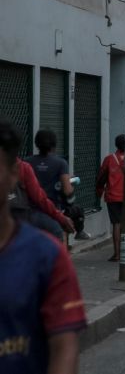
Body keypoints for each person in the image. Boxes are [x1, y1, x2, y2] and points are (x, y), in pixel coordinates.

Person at [0, 119, 87, 374]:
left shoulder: (44, 256)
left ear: (12, 172)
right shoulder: (59, 163)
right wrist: (63, 217)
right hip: (43, 213)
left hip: (30, 220)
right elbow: (48, 197)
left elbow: (64, 346)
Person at [25, 130, 87, 239]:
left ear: (37, 144)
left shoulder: (27, 162)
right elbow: (67, 190)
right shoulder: (60, 163)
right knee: (76, 212)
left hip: (29, 212)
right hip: (52, 211)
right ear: (54, 145)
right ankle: (80, 232)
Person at [96, 134, 125, 261]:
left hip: (112, 196)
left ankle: (117, 253)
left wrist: (99, 192)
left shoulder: (109, 159)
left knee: (116, 224)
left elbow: (101, 177)